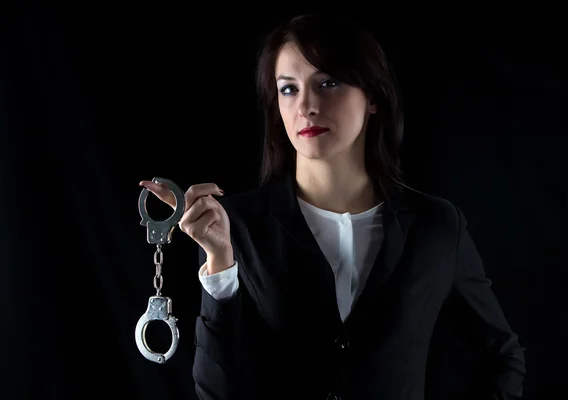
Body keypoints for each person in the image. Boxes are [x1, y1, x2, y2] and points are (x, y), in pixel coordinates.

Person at [139, 13, 526, 400]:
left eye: (328, 83)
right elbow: (217, 393)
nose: (306, 105)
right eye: (288, 89)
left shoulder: (437, 226)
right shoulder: (236, 225)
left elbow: (502, 357)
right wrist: (219, 264)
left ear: (372, 97)